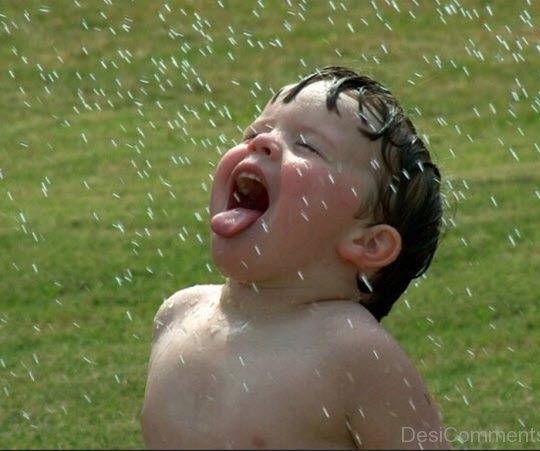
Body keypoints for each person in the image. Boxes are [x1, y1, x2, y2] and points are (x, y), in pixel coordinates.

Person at [141, 66, 447, 449]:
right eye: (255, 132)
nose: (261, 143)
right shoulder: (177, 316)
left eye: (307, 146)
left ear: (368, 244)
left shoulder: (352, 354)